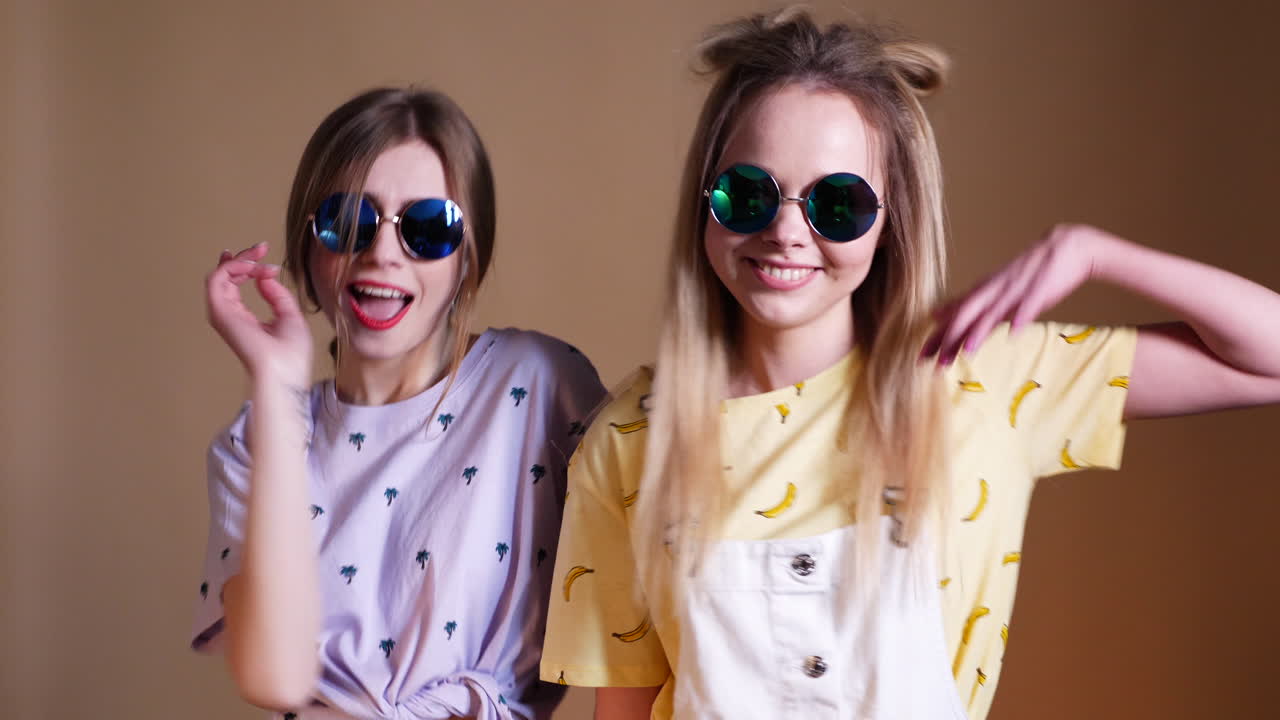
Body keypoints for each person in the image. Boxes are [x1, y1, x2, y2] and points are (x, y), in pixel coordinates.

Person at [540, 9, 1280, 720]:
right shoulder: (630, 441)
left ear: (891, 221)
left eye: (837, 204)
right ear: (705, 201)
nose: (786, 230)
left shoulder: (980, 373)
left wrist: (1095, 253)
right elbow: (624, 707)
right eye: (749, 194)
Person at [192, 87, 605, 720]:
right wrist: (275, 385)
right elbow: (275, 680)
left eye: (429, 227)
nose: (382, 253)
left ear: (469, 256)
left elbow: (654, 583)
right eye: (349, 220)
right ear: (308, 242)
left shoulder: (541, 383)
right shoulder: (257, 440)